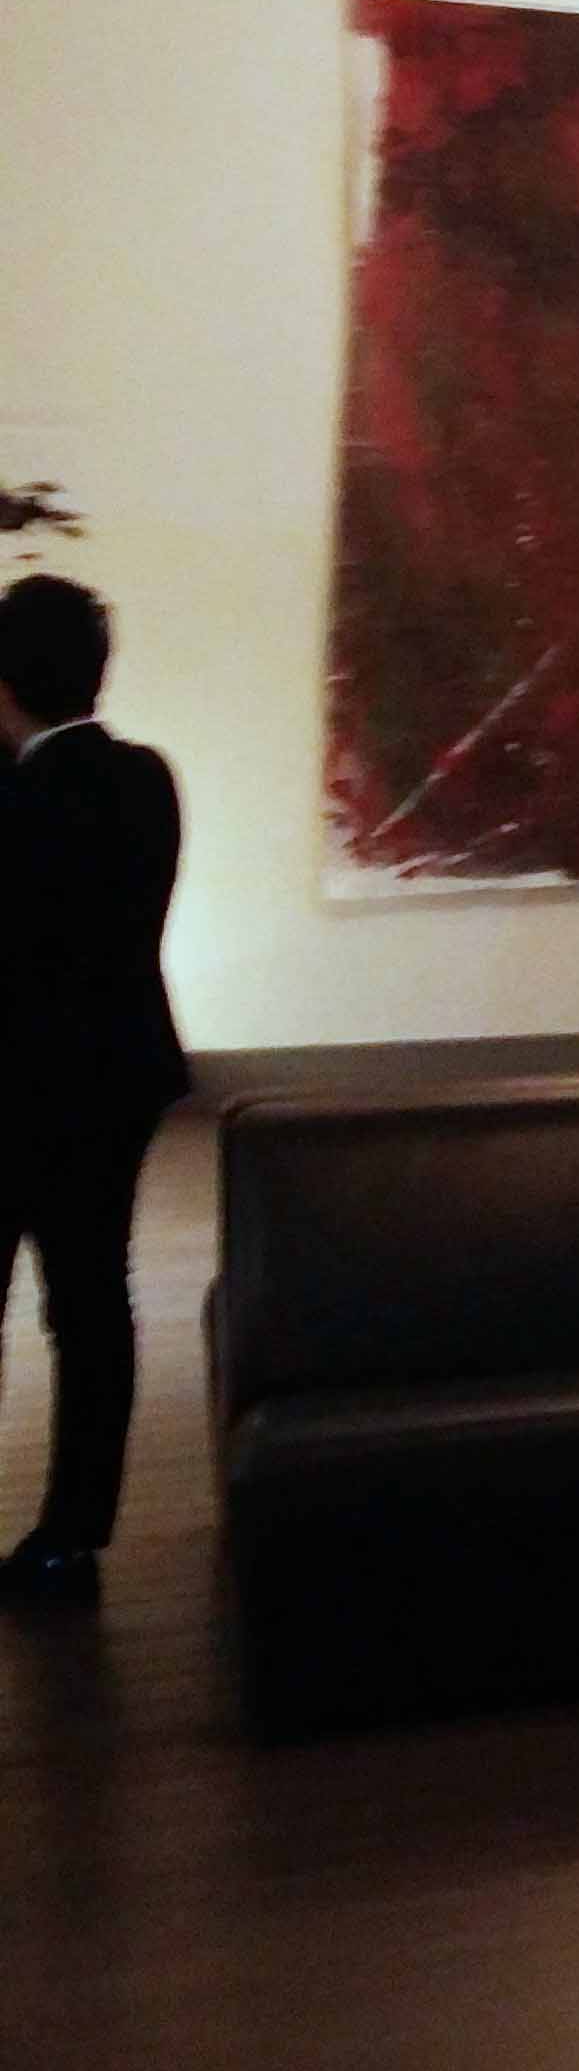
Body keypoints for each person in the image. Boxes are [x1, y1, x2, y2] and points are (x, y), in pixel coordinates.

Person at [0, 575, 186, 1605]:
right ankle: (73, 1537)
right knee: (92, 1303)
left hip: (15, 1091)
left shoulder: (16, 799)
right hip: (115, 1076)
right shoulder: (144, 781)